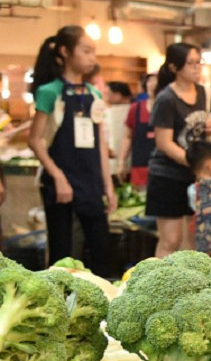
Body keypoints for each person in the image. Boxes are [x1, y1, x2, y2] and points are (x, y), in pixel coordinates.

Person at [27, 26, 115, 276]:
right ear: (65, 52)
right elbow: (34, 140)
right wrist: (58, 175)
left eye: (94, 52)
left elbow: (100, 145)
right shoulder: (49, 92)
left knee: (101, 249)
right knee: (61, 254)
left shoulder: (94, 93)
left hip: (90, 181)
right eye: (86, 51)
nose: (92, 58)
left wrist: (107, 186)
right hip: (60, 183)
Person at [145, 42, 211, 258]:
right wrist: (196, 163)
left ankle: (186, 288)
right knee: (170, 240)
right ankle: (157, 286)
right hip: (167, 175)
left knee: (191, 239)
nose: (196, 68)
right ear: (175, 68)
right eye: (190, 63)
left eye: (198, 62)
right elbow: (164, 143)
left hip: (193, 176)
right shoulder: (166, 98)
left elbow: (203, 127)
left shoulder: (202, 92)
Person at [121, 73, 157, 187]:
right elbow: (128, 137)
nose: (152, 84)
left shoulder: (169, 108)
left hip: (163, 169)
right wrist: (121, 161)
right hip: (139, 168)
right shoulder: (135, 108)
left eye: (156, 81)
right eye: (149, 81)